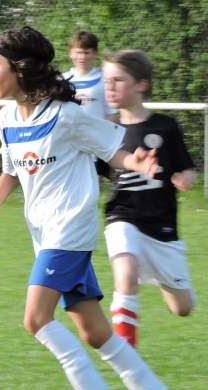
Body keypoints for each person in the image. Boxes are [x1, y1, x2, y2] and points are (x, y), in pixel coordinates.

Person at [0, 26, 195, 390]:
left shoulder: (66, 115)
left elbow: (113, 151)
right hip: (45, 237)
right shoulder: (5, 119)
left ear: (19, 71)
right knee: (96, 334)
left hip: (70, 231)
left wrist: (140, 163)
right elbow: (11, 170)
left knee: (36, 318)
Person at [98, 49, 197, 348]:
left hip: (162, 229)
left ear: (141, 84)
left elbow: (187, 168)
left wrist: (185, 180)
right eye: (106, 81)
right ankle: (125, 353)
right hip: (123, 216)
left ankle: (159, 276)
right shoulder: (106, 131)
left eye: (118, 80)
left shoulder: (165, 126)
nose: (110, 88)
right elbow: (94, 171)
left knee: (183, 308)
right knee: (125, 274)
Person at [63, 31, 118, 122]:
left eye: (86, 53)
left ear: (95, 53)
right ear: (70, 53)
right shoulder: (62, 80)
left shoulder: (105, 80)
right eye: (78, 53)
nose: (82, 57)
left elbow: (112, 114)